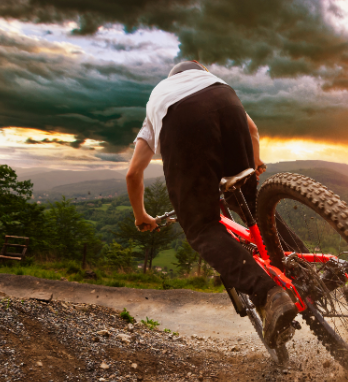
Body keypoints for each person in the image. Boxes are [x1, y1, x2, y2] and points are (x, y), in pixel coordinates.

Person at [126, 60, 297, 348]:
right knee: (253, 207)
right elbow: (253, 130)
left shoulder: (161, 96)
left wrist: (141, 214)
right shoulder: (211, 81)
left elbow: (133, 173)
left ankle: (269, 294)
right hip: (228, 102)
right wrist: (254, 163)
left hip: (180, 118)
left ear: (172, 77)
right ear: (198, 70)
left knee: (202, 226)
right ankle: (305, 271)